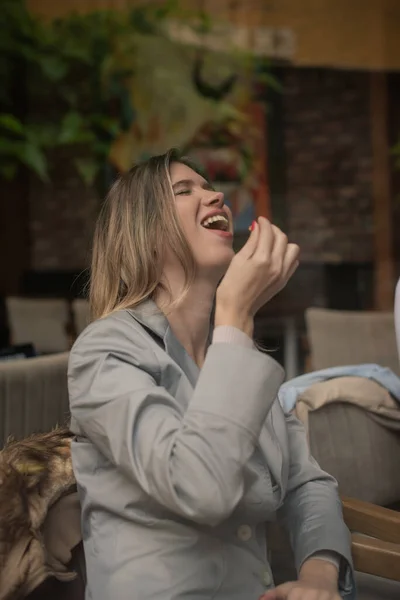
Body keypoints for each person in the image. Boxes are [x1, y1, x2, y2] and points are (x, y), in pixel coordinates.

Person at [68, 149, 355, 600]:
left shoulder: (235, 354)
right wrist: (236, 315)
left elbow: (306, 483)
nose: (216, 195)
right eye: (185, 190)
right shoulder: (105, 351)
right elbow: (199, 488)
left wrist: (318, 576)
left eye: (210, 186)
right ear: (142, 232)